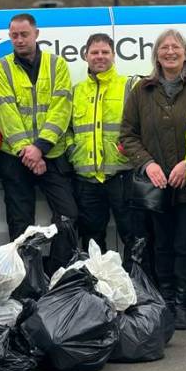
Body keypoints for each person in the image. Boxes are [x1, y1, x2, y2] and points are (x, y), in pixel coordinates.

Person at [120, 29, 186, 330]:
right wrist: (148, 164)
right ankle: (167, 301)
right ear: (156, 54)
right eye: (164, 48)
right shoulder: (142, 90)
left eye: (176, 47)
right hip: (157, 184)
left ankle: (185, 304)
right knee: (161, 244)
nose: (170, 52)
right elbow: (128, 135)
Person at [0, 14, 78, 268]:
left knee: (68, 216)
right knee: (20, 224)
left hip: (51, 154)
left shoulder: (56, 64)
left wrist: (40, 148)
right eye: (14, 35)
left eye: (24, 34)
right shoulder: (2, 68)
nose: (19, 40)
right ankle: (27, 280)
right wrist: (28, 153)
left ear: (36, 34)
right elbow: (5, 112)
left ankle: (56, 273)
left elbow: (62, 108)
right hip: (17, 158)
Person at [70, 33, 136, 253]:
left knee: (132, 234)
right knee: (91, 238)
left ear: (114, 56)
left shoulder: (128, 86)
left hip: (121, 174)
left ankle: (135, 283)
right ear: (85, 56)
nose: (100, 57)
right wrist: (74, 150)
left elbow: (140, 126)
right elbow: (67, 129)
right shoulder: (76, 91)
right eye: (95, 52)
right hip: (87, 178)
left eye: (105, 52)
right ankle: (96, 284)